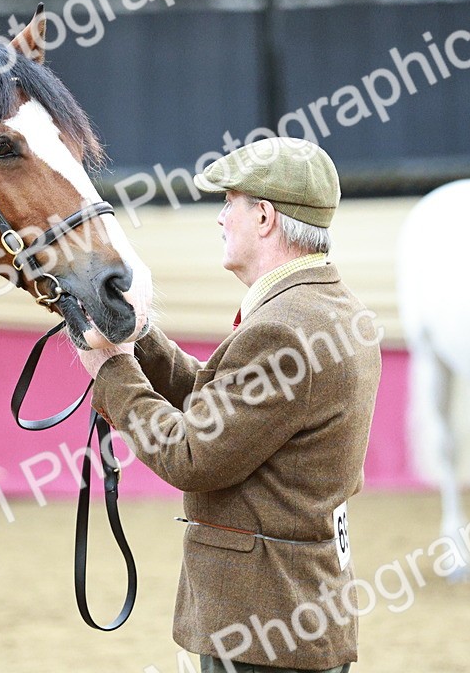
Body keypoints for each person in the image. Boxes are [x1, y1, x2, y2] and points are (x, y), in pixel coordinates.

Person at [79, 137, 381, 673]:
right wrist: (140, 336)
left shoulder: (284, 327)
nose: (221, 218)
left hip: (262, 626)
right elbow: (225, 410)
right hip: (288, 616)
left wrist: (112, 373)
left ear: (264, 217)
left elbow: (192, 455)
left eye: (229, 204)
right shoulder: (324, 307)